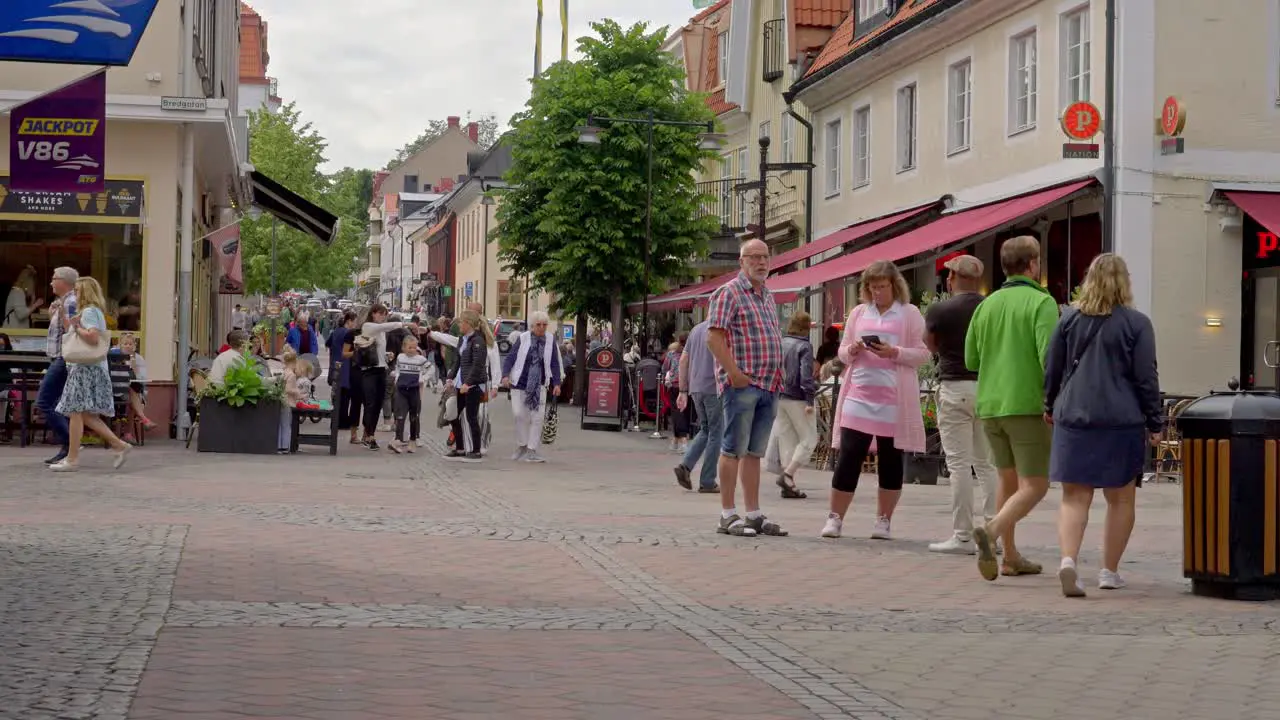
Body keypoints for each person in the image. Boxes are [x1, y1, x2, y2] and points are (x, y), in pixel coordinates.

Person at [1045, 253, 1162, 597]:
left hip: (1075, 415)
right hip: (1121, 419)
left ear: (1089, 280)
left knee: (1074, 497)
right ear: (1125, 282)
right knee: (1121, 499)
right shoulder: (1137, 324)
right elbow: (1146, 377)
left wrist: (1049, 405)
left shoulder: (1068, 319)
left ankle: (1068, 561)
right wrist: (1155, 420)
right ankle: (1109, 571)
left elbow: (1053, 368)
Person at [965, 235, 1060, 581]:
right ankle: (990, 532)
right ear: (1034, 265)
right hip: (1026, 403)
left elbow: (971, 358)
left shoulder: (986, 305)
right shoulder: (1041, 302)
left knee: (1007, 480)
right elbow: (1049, 357)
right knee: (1035, 485)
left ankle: (1010, 556)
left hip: (990, 403)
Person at [821, 261, 929, 540]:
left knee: (891, 460)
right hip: (858, 395)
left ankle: (884, 520)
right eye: (872, 287)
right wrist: (853, 350)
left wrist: (894, 352)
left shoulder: (909, 313)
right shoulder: (858, 313)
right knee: (848, 457)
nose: (877, 292)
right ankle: (835, 518)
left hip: (893, 401)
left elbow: (922, 354)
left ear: (894, 286)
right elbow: (843, 352)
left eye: (882, 286)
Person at [705, 239, 786, 538]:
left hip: (769, 382)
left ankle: (753, 513)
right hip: (744, 384)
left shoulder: (767, 295)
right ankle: (727, 514)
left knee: (754, 453)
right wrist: (734, 373)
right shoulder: (729, 293)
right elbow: (714, 338)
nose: (761, 262)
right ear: (742, 262)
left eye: (765, 256)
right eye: (754, 257)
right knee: (732, 449)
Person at [925, 255, 999, 555]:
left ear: (952, 278)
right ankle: (995, 531)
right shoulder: (990, 307)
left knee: (958, 464)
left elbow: (928, 341)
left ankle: (962, 535)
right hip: (987, 387)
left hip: (954, 385)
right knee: (986, 464)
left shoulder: (941, 309)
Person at [50, 277, 132, 472]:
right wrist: (67, 318)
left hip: (85, 368)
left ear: (85, 293)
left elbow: (93, 338)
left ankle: (72, 459)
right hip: (90, 368)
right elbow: (76, 331)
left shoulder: (89, 311)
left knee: (76, 412)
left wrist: (77, 326)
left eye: (77, 291)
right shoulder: (92, 312)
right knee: (83, 414)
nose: (74, 295)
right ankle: (119, 445)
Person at [500, 311, 563, 463]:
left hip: (540, 385)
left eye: (544, 325)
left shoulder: (550, 340)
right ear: (532, 326)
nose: (542, 328)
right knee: (519, 415)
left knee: (537, 418)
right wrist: (505, 375)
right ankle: (522, 445)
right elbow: (511, 357)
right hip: (520, 382)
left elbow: (554, 362)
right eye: (538, 325)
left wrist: (557, 383)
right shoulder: (523, 338)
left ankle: (531, 449)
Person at [770, 310, 818, 500]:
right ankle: (788, 475)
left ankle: (789, 484)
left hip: (780, 395)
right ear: (806, 327)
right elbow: (805, 376)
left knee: (787, 439)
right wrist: (810, 399)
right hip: (798, 397)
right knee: (809, 438)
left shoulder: (781, 342)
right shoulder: (804, 346)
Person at [35, 266, 78, 464]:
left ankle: (70, 443)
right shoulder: (63, 301)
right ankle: (69, 447)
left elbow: (72, 329)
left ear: (64, 281)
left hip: (64, 358)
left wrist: (61, 314)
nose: (51, 282)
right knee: (59, 403)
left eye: (54, 278)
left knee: (44, 401)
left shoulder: (71, 301)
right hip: (58, 357)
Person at [673, 319, 722, 494]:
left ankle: (685, 466)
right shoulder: (721, 329)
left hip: (696, 388)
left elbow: (683, 360)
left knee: (706, 429)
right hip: (714, 388)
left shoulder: (696, 330)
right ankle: (707, 481)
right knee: (716, 433)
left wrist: (683, 389)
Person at [355, 304, 404, 450]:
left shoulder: (381, 332)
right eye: (381, 314)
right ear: (373, 314)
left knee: (377, 405)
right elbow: (387, 327)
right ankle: (368, 435)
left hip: (381, 369)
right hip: (369, 371)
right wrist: (403, 324)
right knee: (370, 403)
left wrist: (387, 356)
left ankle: (370, 434)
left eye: (385, 314)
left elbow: (377, 350)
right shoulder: (368, 326)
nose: (383, 317)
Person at [444, 310, 489, 462]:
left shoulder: (478, 341)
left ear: (468, 323)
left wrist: (468, 383)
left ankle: (476, 450)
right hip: (461, 383)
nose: (459, 326)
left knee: (471, 416)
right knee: (453, 415)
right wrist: (450, 378)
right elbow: (458, 361)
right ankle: (460, 448)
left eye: (460, 323)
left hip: (473, 385)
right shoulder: (463, 339)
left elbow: (477, 365)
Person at [390, 335, 430, 454]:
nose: (412, 350)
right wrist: (396, 376)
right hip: (401, 390)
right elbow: (398, 369)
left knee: (414, 417)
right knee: (400, 416)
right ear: (403, 347)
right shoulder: (400, 357)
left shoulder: (420, 359)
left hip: (414, 391)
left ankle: (412, 440)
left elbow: (431, 369)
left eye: (414, 347)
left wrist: (423, 378)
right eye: (409, 347)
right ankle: (397, 440)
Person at [114, 333, 157, 433]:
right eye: (125, 344)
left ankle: (128, 433)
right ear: (120, 345)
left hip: (129, 392)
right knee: (133, 394)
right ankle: (142, 421)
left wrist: (134, 367)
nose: (128, 346)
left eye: (130, 344)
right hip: (114, 392)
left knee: (132, 393)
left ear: (134, 346)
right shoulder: (114, 356)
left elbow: (141, 378)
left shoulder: (138, 359)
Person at [277, 347, 311, 454]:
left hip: (281, 400)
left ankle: (279, 444)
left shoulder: (283, 372)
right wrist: (297, 392)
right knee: (287, 424)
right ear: (293, 363)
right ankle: (285, 445)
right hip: (288, 402)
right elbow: (288, 389)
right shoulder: (291, 375)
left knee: (281, 424)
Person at [662, 338, 689, 453]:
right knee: (683, 411)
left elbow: (665, 368)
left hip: (674, 384)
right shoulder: (690, 353)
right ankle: (677, 439)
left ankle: (681, 439)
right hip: (688, 385)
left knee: (676, 411)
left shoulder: (671, 354)